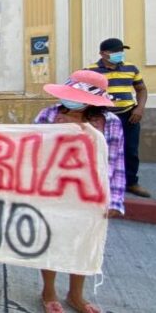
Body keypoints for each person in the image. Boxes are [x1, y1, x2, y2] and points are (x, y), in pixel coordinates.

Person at [35, 70, 125, 313]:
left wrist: (116, 199)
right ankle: (49, 291)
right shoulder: (50, 115)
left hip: (90, 195)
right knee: (50, 241)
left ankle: (76, 295)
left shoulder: (110, 123)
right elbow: (32, 149)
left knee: (83, 244)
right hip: (52, 190)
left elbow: (115, 162)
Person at [87, 38, 150, 198]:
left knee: (131, 150)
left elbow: (141, 89)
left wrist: (140, 108)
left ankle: (131, 183)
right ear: (103, 53)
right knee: (103, 150)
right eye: (115, 51)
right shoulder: (91, 70)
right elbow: (83, 93)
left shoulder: (131, 68)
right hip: (104, 117)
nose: (119, 54)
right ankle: (102, 183)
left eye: (121, 51)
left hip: (129, 116)